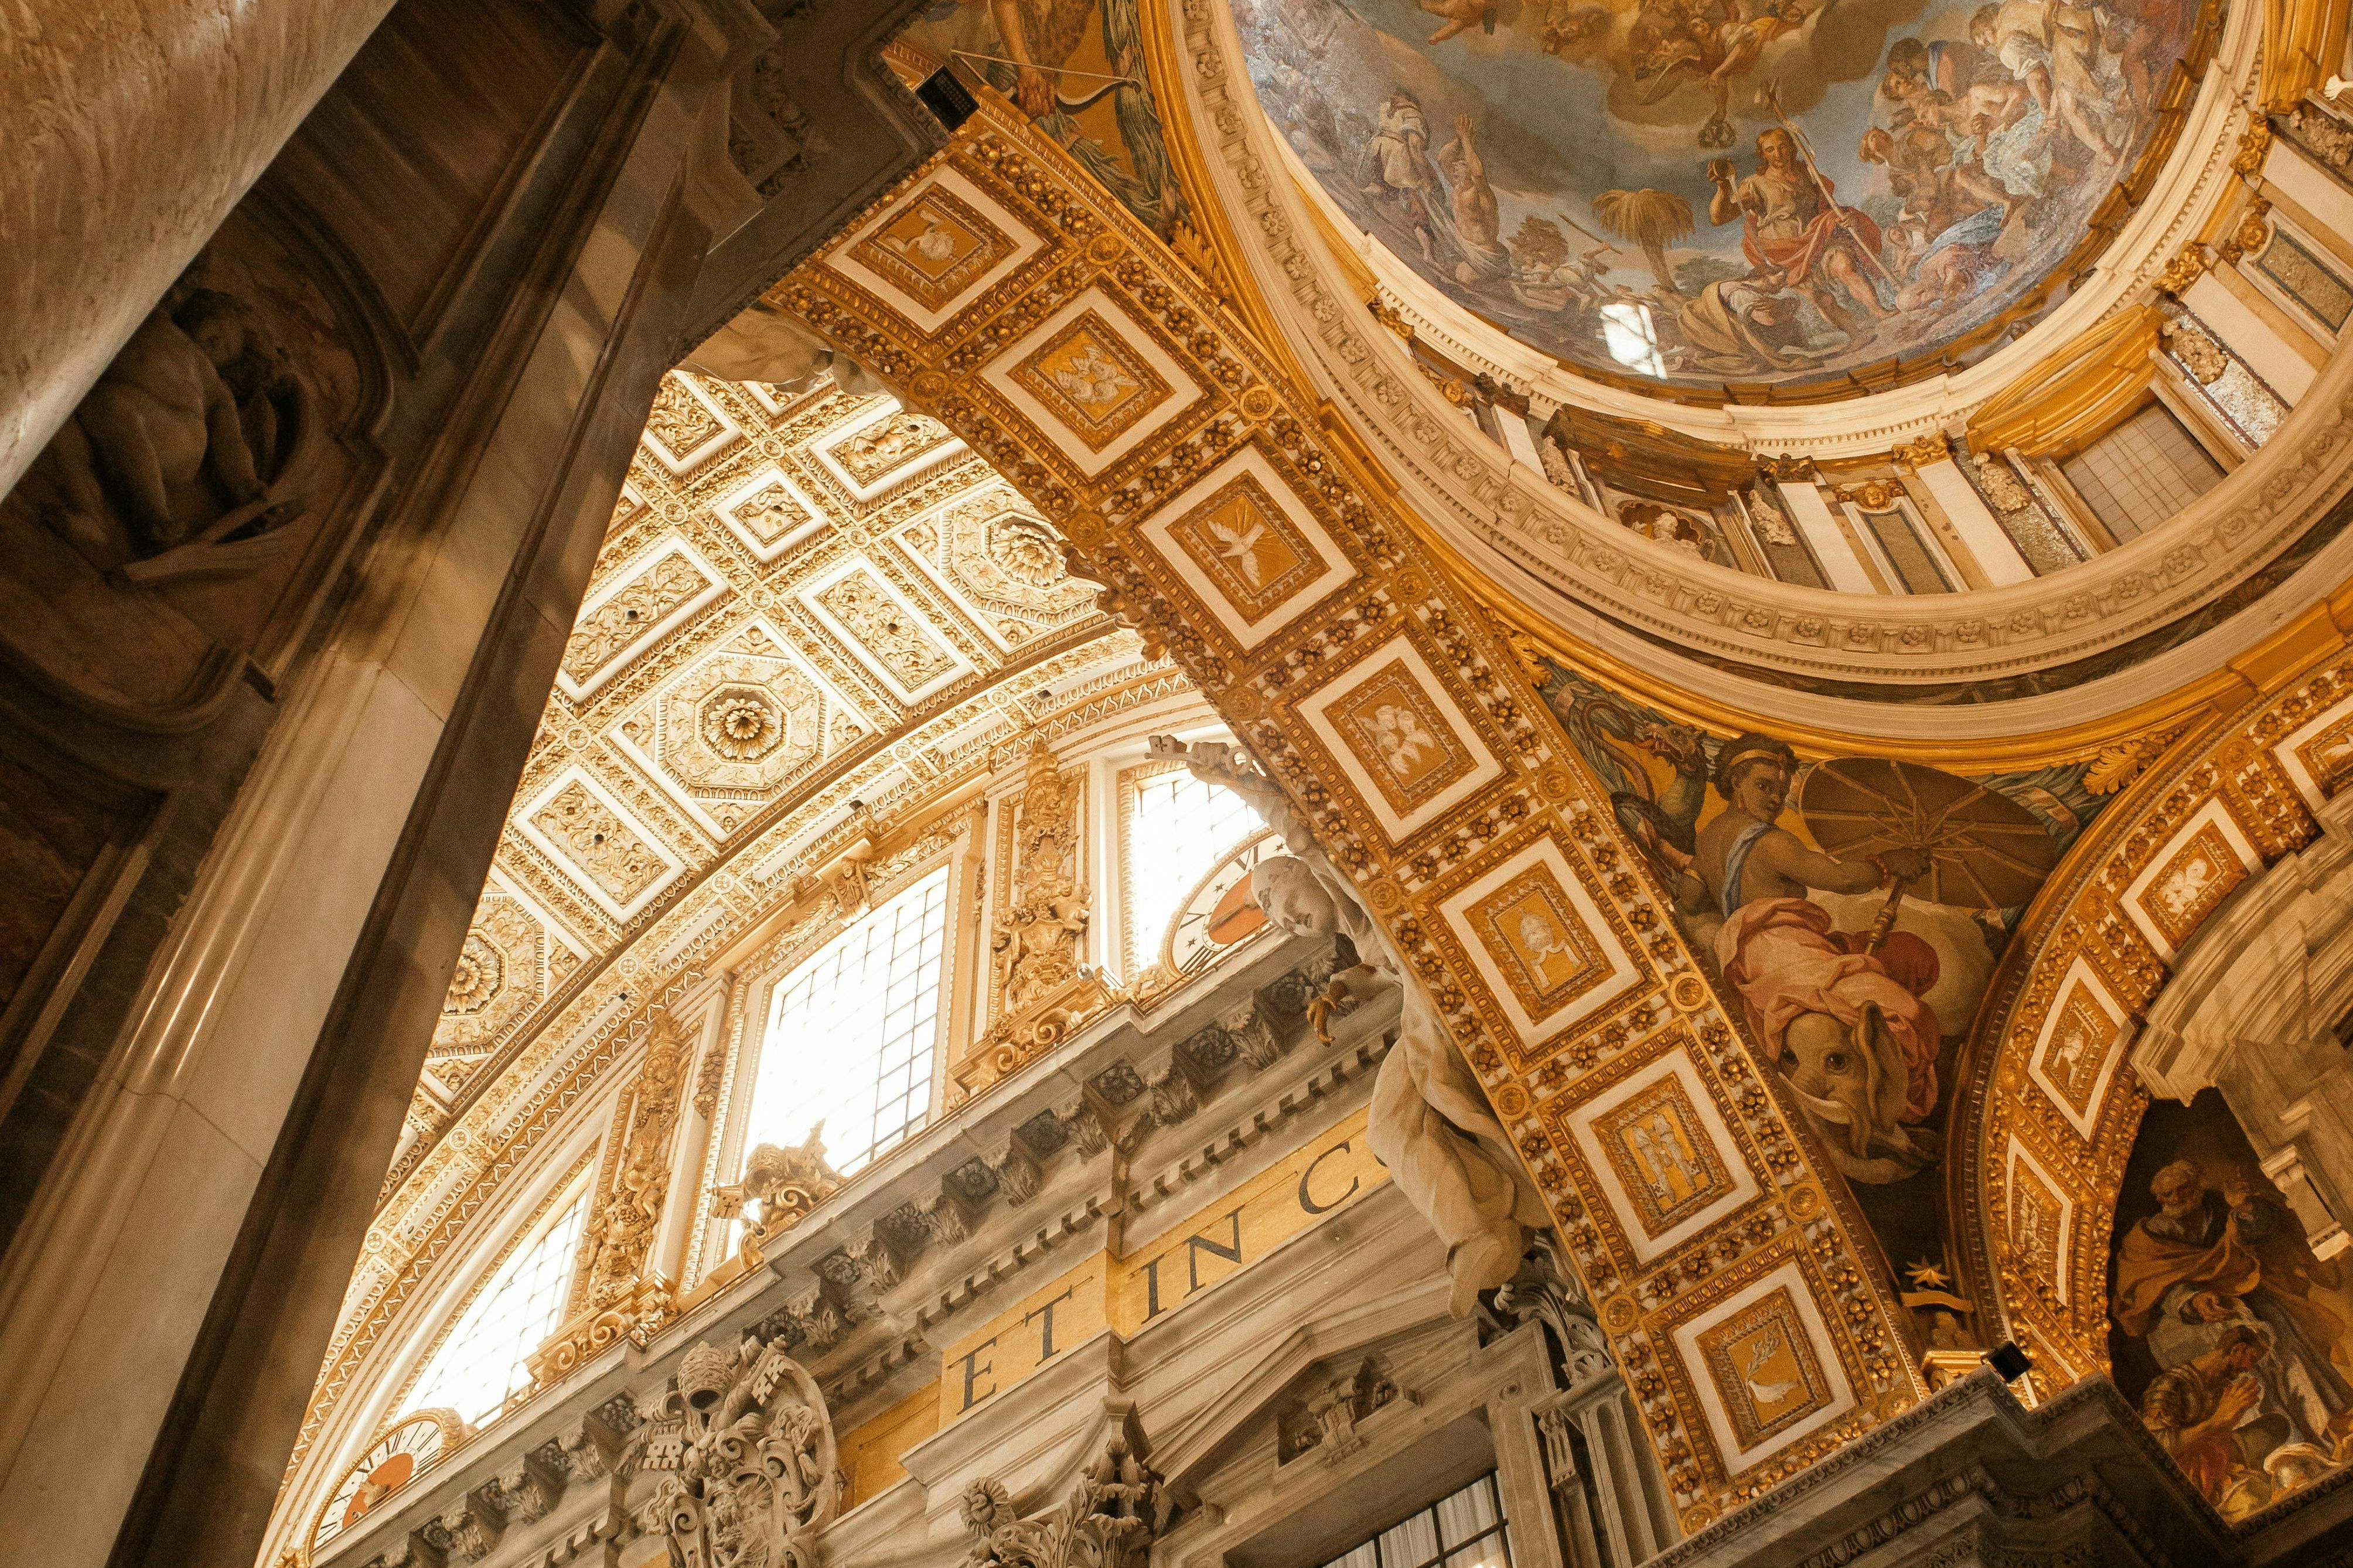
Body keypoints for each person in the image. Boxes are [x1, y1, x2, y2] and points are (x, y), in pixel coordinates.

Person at [1707, 128, 1890, 334]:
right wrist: (1723, 188)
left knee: (1845, 267)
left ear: (1793, 147)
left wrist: (1842, 217)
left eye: (1783, 146)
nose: (1778, 154)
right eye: (1770, 150)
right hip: (1787, 253)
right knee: (1823, 298)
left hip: (1819, 239)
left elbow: (1826, 205)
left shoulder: (1808, 173)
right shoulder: (1756, 184)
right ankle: (1855, 334)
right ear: (1763, 155)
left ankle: (1878, 311)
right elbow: (1719, 217)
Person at [2140, 1323, 2274, 1514]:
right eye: (2251, 1357)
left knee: (2276, 1427)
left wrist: (2232, 1418)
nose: (2250, 1367)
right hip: (2180, 1479)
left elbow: (2218, 1432)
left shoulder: (2218, 1384)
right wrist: (2218, 1420)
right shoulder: (2170, 1386)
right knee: (2258, 1492)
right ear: (2237, 1349)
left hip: (2212, 1461)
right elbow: (2156, 1447)